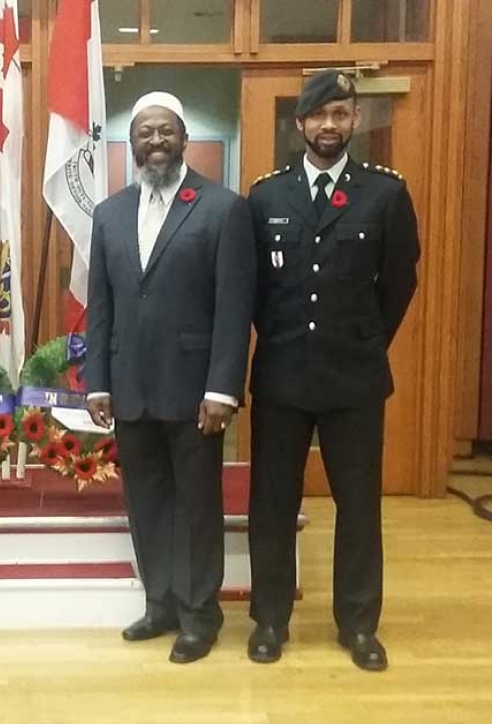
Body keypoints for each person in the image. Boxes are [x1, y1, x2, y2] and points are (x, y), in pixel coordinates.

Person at [246, 69, 420, 671]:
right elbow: (255, 293)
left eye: (340, 114)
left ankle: (359, 625)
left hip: (354, 378)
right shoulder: (267, 195)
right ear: (299, 125)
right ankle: (270, 619)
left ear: (355, 121)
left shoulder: (385, 194)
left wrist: (365, 340)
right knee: (271, 503)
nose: (329, 125)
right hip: (283, 376)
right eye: (318, 115)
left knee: (359, 503)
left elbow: (399, 283)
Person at [86, 92, 256, 663]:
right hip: (130, 390)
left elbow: (235, 308)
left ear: (184, 138)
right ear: (131, 144)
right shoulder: (109, 213)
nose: (155, 142)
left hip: (195, 393)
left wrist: (222, 389)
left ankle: (199, 614)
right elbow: (101, 304)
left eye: (165, 132)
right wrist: (97, 382)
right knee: (147, 502)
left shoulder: (223, 208)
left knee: (197, 506)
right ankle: (160, 603)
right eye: (143, 133)